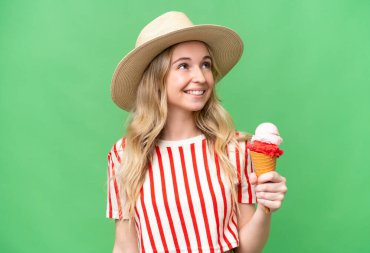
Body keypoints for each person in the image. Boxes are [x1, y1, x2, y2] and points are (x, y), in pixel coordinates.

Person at [106, 11, 287, 253]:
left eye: (206, 64)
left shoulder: (235, 149)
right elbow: (125, 246)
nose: (200, 77)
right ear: (156, 78)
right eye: (183, 66)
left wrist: (265, 208)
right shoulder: (125, 154)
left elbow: (247, 249)